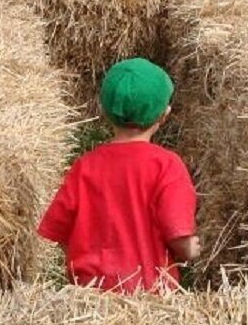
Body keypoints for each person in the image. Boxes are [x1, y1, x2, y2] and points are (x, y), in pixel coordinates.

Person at [37, 58, 200, 292]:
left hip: (90, 293)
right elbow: (177, 233)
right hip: (150, 294)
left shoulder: (85, 166)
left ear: (105, 110)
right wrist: (190, 249)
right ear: (164, 115)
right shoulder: (167, 166)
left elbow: (61, 231)